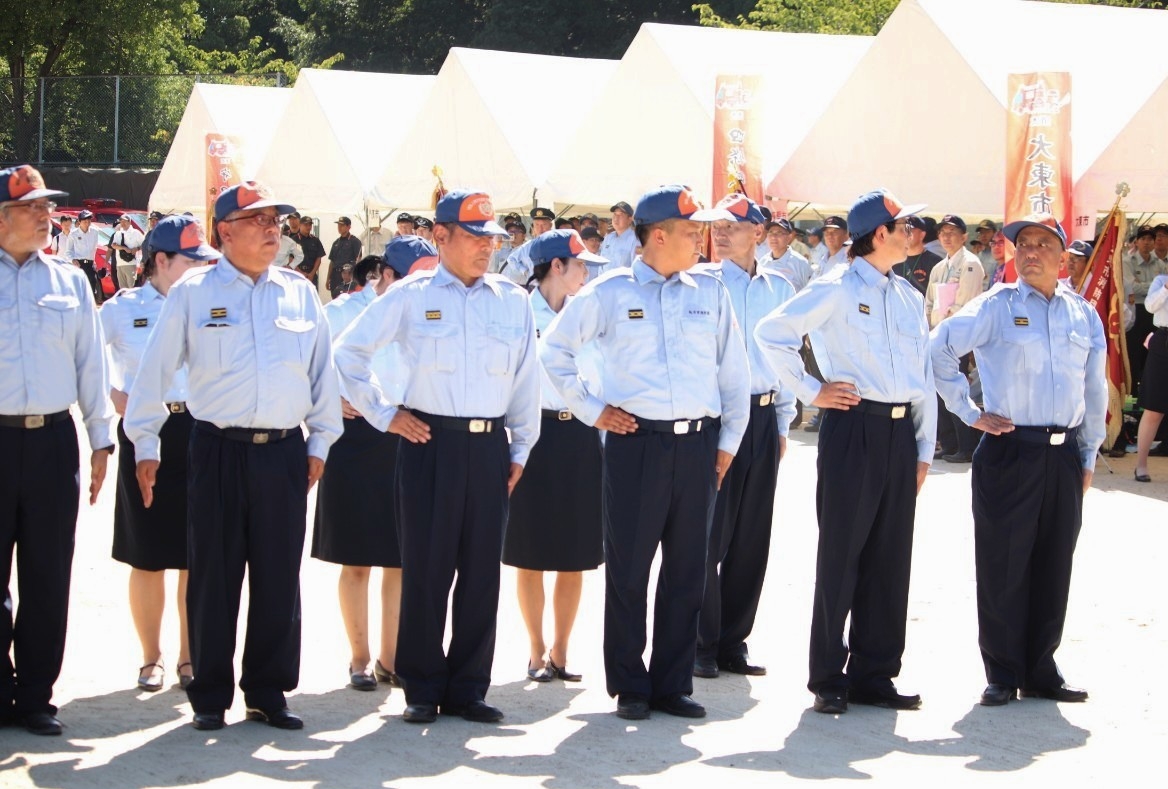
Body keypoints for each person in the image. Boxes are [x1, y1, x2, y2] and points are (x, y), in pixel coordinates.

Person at [124, 180, 342, 732]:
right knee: (213, 575)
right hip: (217, 448)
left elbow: (322, 374)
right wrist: (145, 442)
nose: (273, 230)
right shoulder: (193, 293)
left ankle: (268, 691)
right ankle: (209, 695)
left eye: (276, 221)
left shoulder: (298, 292)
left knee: (277, 576)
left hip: (283, 452)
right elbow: (154, 371)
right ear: (224, 231)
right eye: (259, 221)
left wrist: (319, 442)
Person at [541, 184, 749, 721]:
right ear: (658, 236)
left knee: (687, 570)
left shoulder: (710, 292)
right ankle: (631, 684)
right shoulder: (610, 293)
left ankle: (672, 684)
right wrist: (593, 410)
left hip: (698, 445)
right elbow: (554, 351)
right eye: (691, 231)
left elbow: (734, 372)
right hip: (636, 445)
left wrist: (728, 443)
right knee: (630, 570)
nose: (702, 240)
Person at [334, 188, 539, 725]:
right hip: (429, 442)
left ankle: (469, 689)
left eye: (492, 238)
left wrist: (521, 446)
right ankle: (422, 686)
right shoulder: (410, 295)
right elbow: (349, 353)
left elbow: (526, 379)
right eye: (475, 237)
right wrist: (384, 414)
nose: (487, 247)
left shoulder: (511, 299)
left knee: (481, 573)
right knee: (426, 569)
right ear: (441, 236)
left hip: (490, 445)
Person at [756, 188, 936, 715]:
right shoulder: (835, 285)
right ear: (879, 234)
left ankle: (874, 674)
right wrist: (812, 391)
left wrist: (924, 446)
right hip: (853, 428)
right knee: (842, 555)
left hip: (899, 434)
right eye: (904, 227)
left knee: (890, 557)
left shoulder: (907, 295)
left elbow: (922, 375)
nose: (914, 234)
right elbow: (772, 333)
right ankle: (829, 676)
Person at [930, 213, 1105, 707]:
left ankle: (1041, 668)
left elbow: (1094, 389)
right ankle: (1003, 671)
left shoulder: (1083, 314)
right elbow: (938, 349)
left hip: (1063, 453)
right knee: (1003, 565)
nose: (1030, 252)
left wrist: (1088, 453)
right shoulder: (996, 305)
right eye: (1022, 244)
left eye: (1042, 244)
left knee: (1054, 562)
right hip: (1010, 449)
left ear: (1063, 257)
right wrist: (969, 412)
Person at [0, 165, 114, 735]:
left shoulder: (69, 282)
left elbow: (91, 363)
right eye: (32, 207)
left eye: (47, 206)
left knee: (48, 574)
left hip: (51, 440)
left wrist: (101, 438)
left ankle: (36, 696)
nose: (46, 216)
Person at [313, 240, 439, 693]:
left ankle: (392, 658)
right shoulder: (341, 312)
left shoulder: (428, 310)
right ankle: (359, 658)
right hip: (354, 440)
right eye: (415, 275)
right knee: (356, 560)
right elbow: (311, 368)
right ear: (386, 275)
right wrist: (331, 399)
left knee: (401, 560)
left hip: (407, 434)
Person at [101, 215, 218, 693]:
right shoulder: (123, 308)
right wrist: (113, 393)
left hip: (200, 430)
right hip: (146, 430)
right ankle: (152, 658)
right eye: (192, 261)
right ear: (162, 260)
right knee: (147, 553)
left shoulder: (210, 305)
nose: (201, 269)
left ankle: (190, 657)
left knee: (195, 553)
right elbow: (84, 354)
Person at [695, 194, 795, 680]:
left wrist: (783, 421)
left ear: (758, 232)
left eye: (731, 226)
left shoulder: (780, 287)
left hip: (763, 416)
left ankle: (733, 641)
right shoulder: (703, 283)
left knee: (751, 538)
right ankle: (701, 642)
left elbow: (785, 357)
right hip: (718, 420)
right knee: (708, 535)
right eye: (716, 226)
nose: (720, 233)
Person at [502, 229, 607, 684]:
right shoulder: (519, 314)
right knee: (528, 552)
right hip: (532, 435)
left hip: (580, 435)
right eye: (580, 264)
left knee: (574, 553)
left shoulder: (591, 313)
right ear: (556, 266)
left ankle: (561, 650)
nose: (587, 273)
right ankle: (535, 649)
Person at [926, 215, 985, 464]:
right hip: (937, 337)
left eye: (952, 232)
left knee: (957, 388)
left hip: (957, 339)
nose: (946, 237)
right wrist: (929, 326)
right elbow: (929, 301)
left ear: (964, 236)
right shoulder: (940, 267)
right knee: (939, 391)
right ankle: (949, 443)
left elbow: (966, 304)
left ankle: (966, 445)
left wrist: (943, 327)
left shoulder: (970, 264)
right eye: (942, 233)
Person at [1134, 273, 1168, 482]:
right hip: (1164, 341)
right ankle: (1141, 465)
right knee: (1154, 408)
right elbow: (1149, 306)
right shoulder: (1160, 280)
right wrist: (1166, 288)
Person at [502, 206, 554, 286]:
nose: (540, 228)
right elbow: (511, 259)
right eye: (537, 225)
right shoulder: (527, 246)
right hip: (533, 287)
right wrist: (525, 271)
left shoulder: (557, 244)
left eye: (544, 224)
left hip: (552, 287)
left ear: (550, 226)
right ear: (533, 227)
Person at [760, 217, 812, 291]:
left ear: (789, 237)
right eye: (771, 232)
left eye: (779, 233)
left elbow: (810, 291)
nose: (773, 237)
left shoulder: (800, 263)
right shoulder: (763, 262)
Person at [894, 216, 941, 295]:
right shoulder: (894, 261)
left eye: (910, 230)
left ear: (922, 235)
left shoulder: (935, 262)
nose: (906, 234)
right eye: (903, 230)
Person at [66, 208, 103, 303]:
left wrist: (94, 262)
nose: (87, 223)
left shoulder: (95, 232)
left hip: (90, 265)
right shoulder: (73, 234)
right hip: (79, 264)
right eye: (85, 221)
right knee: (79, 290)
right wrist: (73, 260)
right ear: (79, 221)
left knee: (91, 290)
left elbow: (94, 248)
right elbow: (68, 251)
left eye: (89, 221)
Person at [597, 200, 637, 275]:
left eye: (620, 214)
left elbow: (636, 269)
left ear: (630, 219)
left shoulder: (635, 240)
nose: (616, 218)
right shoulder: (608, 238)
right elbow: (601, 265)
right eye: (615, 214)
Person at [328, 216, 363, 298]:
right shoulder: (336, 242)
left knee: (348, 299)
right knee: (335, 298)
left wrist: (354, 277)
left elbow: (358, 260)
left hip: (347, 275)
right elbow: (332, 261)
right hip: (335, 275)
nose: (339, 227)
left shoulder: (355, 241)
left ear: (348, 227)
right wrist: (328, 278)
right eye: (338, 225)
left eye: (342, 225)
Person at [110, 214, 145, 290]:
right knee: (122, 289)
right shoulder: (118, 233)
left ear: (129, 222)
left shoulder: (136, 233)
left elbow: (144, 244)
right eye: (121, 221)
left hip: (131, 264)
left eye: (124, 221)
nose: (122, 223)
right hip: (119, 264)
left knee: (131, 288)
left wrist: (137, 248)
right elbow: (113, 245)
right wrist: (124, 248)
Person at [293, 215, 326, 286]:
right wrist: (300, 273)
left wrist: (312, 273)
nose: (308, 227)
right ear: (300, 225)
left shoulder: (315, 240)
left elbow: (319, 258)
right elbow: (290, 259)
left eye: (310, 225)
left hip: (312, 275)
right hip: (297, 274)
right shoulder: (294, 240)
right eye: (306, 225)